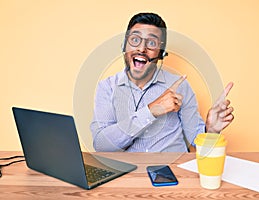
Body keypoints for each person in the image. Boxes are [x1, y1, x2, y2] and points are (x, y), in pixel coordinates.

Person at [90, 12, 234, 152]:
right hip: (129, 172)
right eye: (135, 40)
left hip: (172, 170)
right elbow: (102, 145)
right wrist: (152, 110)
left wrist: (211, 130)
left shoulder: (180, 86)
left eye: (151, 43)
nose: (141, 48)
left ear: (161, 53)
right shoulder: (107, 87)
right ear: (124, 46)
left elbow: (197, 142)